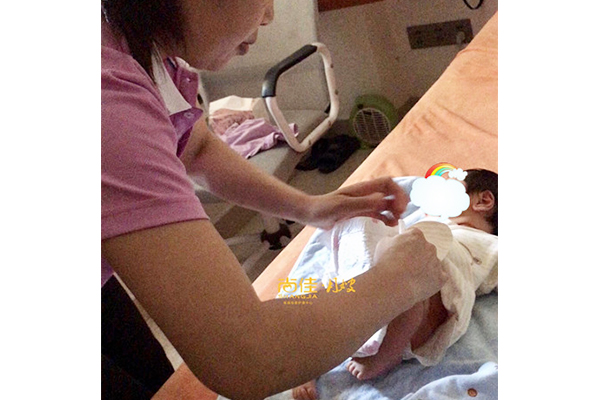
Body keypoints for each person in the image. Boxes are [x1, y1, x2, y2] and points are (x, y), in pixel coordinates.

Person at [101, 1, 446, 399]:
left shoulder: (142, 44)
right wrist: (400, 280)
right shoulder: (108, 106)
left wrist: (309, 207)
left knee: (159, 384)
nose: (269, 16)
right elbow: (247, 357)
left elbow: (194, 147)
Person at [292, 169, 498, 400]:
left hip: (428, 304)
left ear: (483, 201)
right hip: (377, 292)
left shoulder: (490, 243)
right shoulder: (427, 223)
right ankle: (307, 366)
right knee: (322, 291)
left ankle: (387, 355)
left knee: (412, 288)